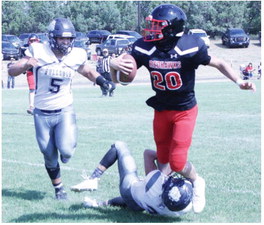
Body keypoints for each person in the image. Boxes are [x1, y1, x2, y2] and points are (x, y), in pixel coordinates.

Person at [109, 4, 256, 214]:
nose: (151, 29)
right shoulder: (144, 46)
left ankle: (197, 182)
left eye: (157, 25)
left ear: (171, 28)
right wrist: (114, 67)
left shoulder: (189, 46)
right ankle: (161, 196)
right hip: (161, 109)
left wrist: (239, 81)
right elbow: (123, 81)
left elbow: (220, 63)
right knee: (163, 159)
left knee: (177, 163)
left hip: (184, 111)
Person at [8, 18, 110, 200]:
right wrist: (25, 64)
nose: (66, 42)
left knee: (67, 151)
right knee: (48, 154)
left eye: (69, 39)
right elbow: (11, 71)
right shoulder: (38, 50)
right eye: (62, 38)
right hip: (41, 112)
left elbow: (87, 71)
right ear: (52, 38)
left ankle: (64, 148)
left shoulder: (77, 54)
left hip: (64, 110)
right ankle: (59, 188)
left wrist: (103, 81)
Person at [71, 141, 193, 217]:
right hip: (139, 206)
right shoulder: (182, 209)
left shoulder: (156, 183)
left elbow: (148, 154)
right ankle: (101, 204)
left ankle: (93, 179)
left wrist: (170, 159)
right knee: (139, 196)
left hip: (129, 191)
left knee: (119, 146)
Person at [23, 34, 41, 115]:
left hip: (40, 71)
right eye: (32, 41)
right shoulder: (26, 50)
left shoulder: (42, 49)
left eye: (35, 40)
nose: (33, 42)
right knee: (32, 89)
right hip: (31, 71)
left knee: (41, 89)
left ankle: (40, 106)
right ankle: (31, 106)